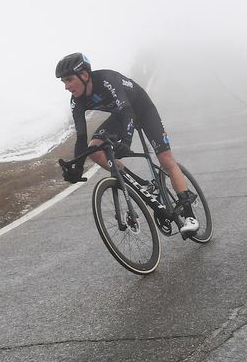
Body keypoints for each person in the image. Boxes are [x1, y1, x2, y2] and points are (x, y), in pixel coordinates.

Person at [54, 52, 199, 235]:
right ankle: (141, 184)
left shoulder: (107, 80)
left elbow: (128, 111)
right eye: (63, 82)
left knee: (165, 160)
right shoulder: (76, 101)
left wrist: (126, 141)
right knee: (94, 149)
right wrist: (77, 168)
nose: (67, 87)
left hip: (142, 110)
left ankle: (189, 216)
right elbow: (81, 138)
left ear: (84, 75)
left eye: (69, 80)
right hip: (120, 116)